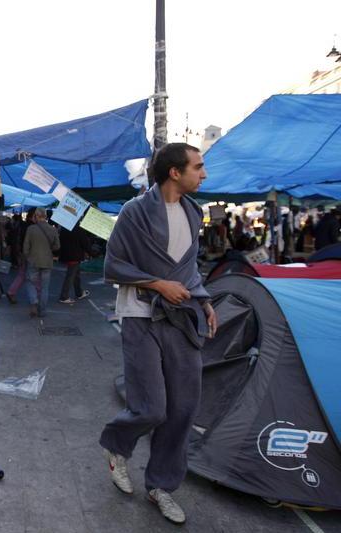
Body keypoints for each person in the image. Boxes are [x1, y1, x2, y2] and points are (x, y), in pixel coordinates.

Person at [99, 143, 218, 525]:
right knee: (152, 407)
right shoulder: (135, 212)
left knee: (183, 407)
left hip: (182, 315)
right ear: (174, 172)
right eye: (198, 167)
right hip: (139, 314)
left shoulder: (193, 212)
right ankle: (117, 447)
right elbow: (114, 265)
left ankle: (160, 485)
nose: (204, 174)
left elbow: (189, 269)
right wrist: (157, 285)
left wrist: (203, 301)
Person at [23, 209, 60, 317]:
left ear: (36, 216)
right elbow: (57, 246)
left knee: (30, 282)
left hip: (33, 261)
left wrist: (26, 257)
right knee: (45, 287)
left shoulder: (31, 229)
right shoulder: (52, 230)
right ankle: (42, 310)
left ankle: (34, 301)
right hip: (47, 261)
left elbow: (26, 247)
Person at [6, 208, 36, 304]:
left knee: (22, 274)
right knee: (34, 276)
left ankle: (11, 291)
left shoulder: (23, 225)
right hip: (30, 254)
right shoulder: (32, 227)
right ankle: (36, 298)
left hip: (22, 252)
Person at [58, 225, 91, 304]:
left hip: (66, 254)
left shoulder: (64, 228)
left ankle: (79, 292)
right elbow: (85, 243)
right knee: (71, 276)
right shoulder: (79, 230)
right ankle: (64, 296)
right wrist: (92, 252)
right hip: (75, 255)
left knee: (76, 274)